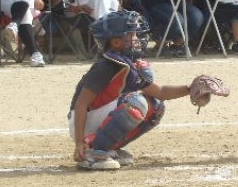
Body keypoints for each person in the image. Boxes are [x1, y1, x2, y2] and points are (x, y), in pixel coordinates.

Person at [68, 10, 192, 170]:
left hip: (97, 117)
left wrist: (190, 88)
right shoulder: (105, 65)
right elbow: (81, 104)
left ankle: (107, 148)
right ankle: (91, 151)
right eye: (132, 34)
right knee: (135, 102)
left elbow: (160, 92)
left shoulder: (127, 62)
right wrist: (79, 142)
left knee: (156, 106)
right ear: (116, 42)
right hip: (82, 122)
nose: (137, 39)